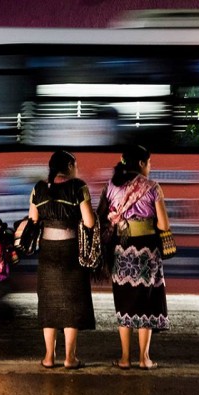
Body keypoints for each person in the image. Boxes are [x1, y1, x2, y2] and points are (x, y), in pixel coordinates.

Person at [97, 145, 171, 370]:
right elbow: (164, 225)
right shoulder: (152, 187)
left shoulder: (111, 186)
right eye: (149, 163)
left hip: (121, 249)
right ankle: (144, 358)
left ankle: (125, 358)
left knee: (125, 302)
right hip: (146, 250)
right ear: (141, 164)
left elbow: (101, 215)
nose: (150, 167)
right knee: (146, 302)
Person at [28, 150, 96, 369]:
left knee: (49, 304)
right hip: (70, 251)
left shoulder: (39, 189)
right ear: (68, 166)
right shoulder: (78, 187)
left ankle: (49, 357)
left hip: (47, 250)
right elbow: (89, 222)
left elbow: (33, 219)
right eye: (75, 164)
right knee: (72, 304)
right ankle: (70, 358)